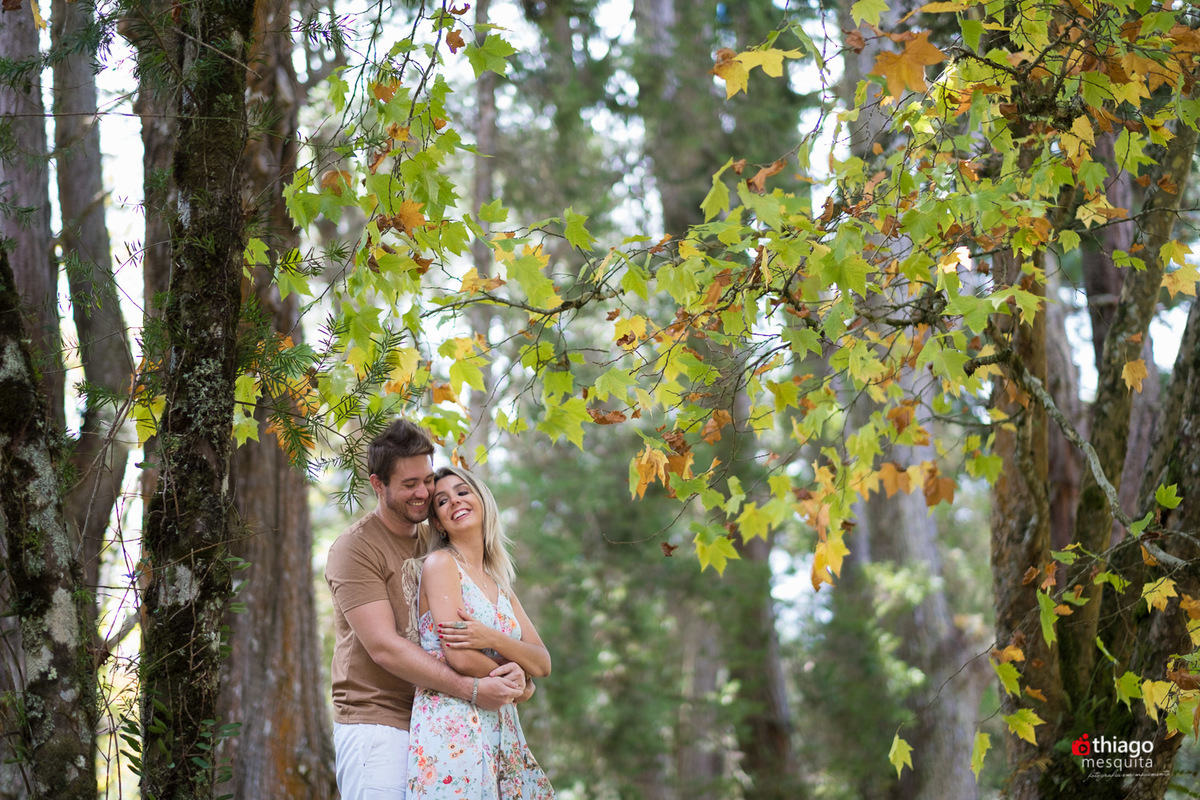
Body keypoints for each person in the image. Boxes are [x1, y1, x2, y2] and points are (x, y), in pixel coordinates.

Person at [325, 420, 527, 800]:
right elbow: (384, 647)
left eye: (427, 479)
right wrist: (474, 689)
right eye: (409, 484)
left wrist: (518, 679)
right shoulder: (355, 549)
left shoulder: (440, 540)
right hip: (379, 724)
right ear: (378, 485)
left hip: (438, 723)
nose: (423, 492)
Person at [407, 465, 555, 799]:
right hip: (454, 728)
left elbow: (542, 662)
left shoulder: (500, 582)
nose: (454, 502)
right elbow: (459, 656)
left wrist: (492, 639)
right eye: (442, 501)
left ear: (483, 501)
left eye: (462, 492)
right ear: (438, 522)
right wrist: (518, 681)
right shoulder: (441, 564)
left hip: (501, 727)